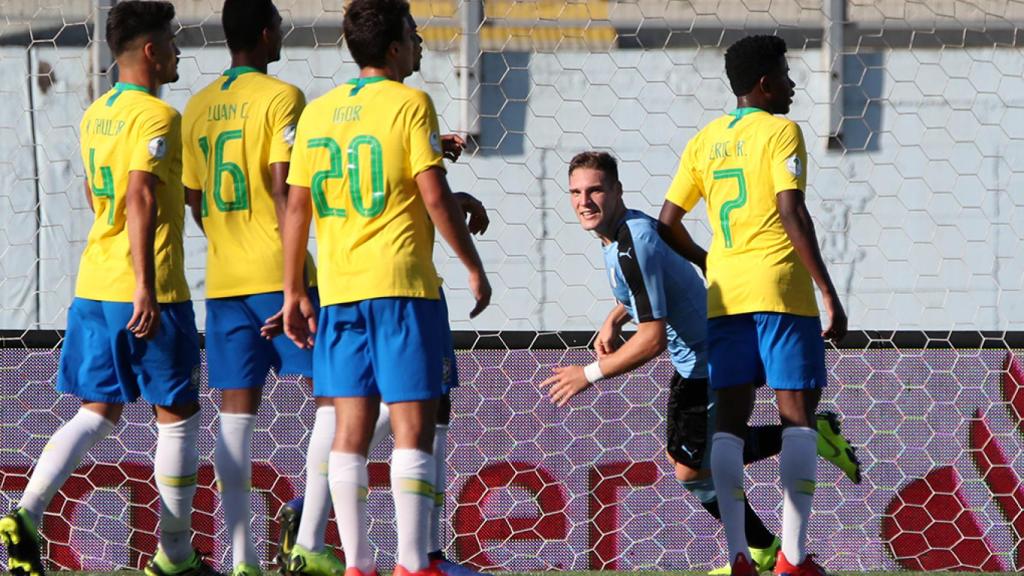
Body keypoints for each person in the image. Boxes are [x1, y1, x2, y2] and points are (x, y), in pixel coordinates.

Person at [543, 151, 859, 575]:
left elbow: (652, 339)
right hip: (697, 355)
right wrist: (614, 316)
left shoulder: (633, 242)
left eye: (596, 189)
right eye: (576, 192)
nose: (585, 200)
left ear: (617, 191)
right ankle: (770, 525)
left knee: (692, 471)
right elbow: (655, 284)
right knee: (694, 463)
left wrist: (589, 373)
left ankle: (766, 534)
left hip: (704, 360)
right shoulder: (625, 231)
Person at [0, 3, 217, 576]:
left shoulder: (96, 113)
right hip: (148, 290)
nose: (176, 51)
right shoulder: (158, 117)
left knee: (97, 410)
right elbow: (140, 196)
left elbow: (108, 202)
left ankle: (24, 512)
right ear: (150, 51)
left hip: (94, 285)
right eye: (170, 40)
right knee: (179, 415)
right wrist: (146, 284)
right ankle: (174, 555)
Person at [280, 1, 491, 576]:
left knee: (348, 430)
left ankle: (357, 564)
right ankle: (411, 563)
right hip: (401, 288)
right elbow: (432, 195)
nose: (421, 42)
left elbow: (296, 206)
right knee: (411, 427)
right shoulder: (410, 102)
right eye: (414, 33)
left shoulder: (320, 112)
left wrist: (293, 289)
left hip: (341, 291)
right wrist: (472, 265)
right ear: (395, 47)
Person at [658, 35, 849, 576]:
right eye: (786, 76)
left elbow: (667, 222)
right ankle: (792, 557)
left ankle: (739, 556)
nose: (792, 86)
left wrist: (709, 260)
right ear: (764, 83)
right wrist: (829, 293)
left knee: (728, 425)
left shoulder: (705, 139)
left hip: (726, 295)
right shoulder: (781, 131)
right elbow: (792, 211)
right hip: (780, 292)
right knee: (797, 418)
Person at [180, 1, 331, 575]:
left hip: (224, 283)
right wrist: (290, 280)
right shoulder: (281, 97)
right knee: (339, 401)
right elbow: (285, 189)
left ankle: (242, 560)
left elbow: (195, 199)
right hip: (281, 276)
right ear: (267, 34)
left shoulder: (195, 107)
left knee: (235, 419)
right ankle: (306, 532)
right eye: (280, 25)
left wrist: (229, 239)